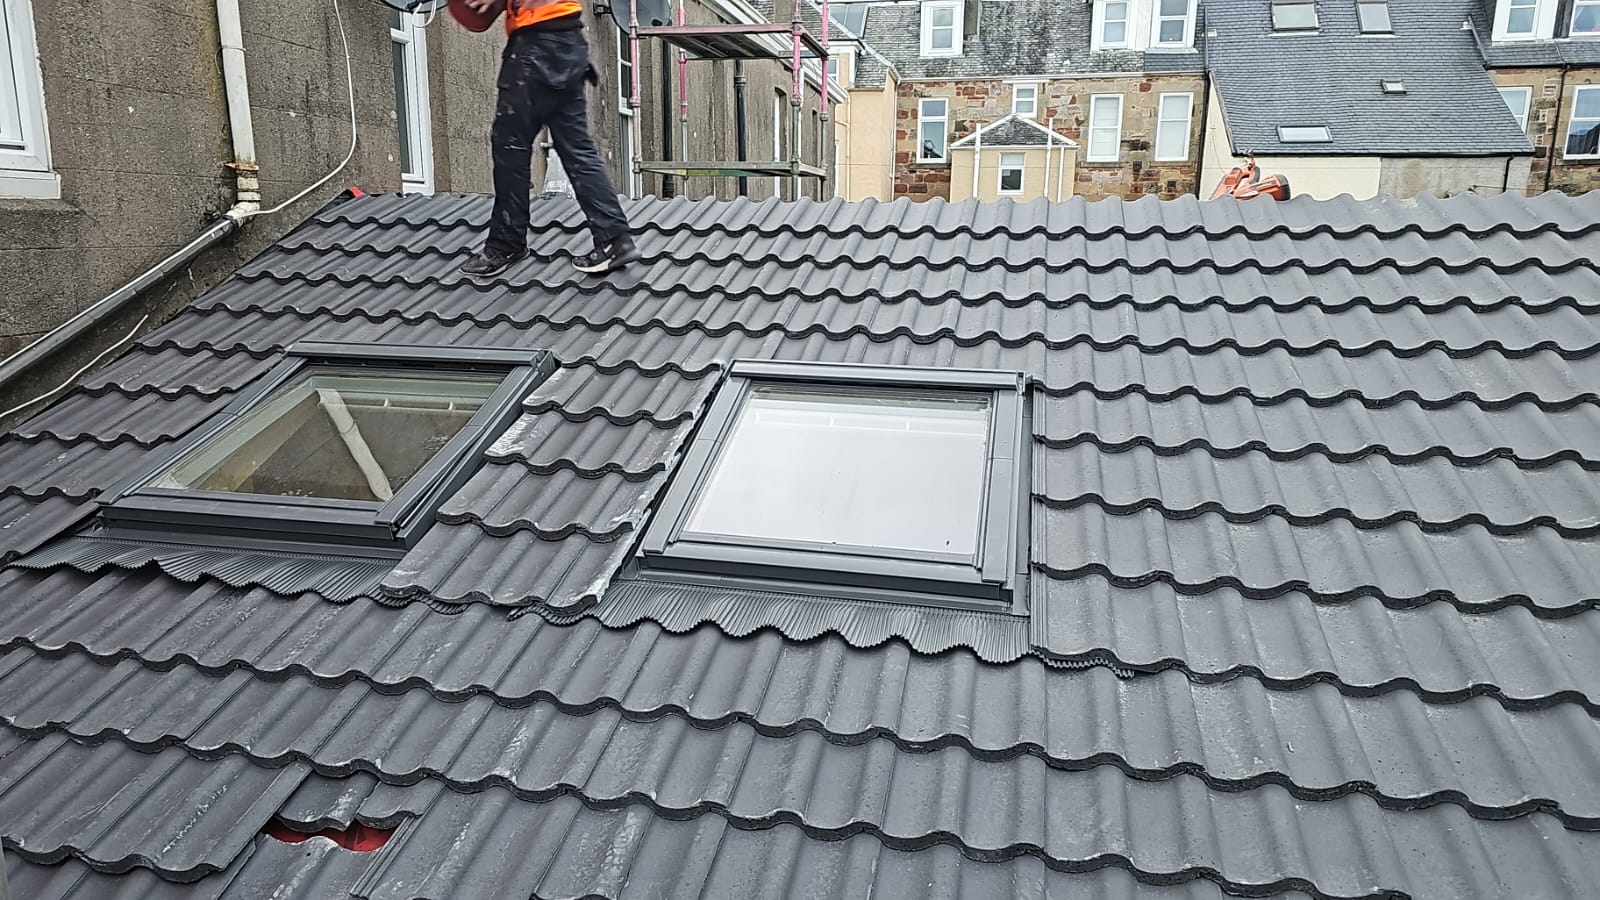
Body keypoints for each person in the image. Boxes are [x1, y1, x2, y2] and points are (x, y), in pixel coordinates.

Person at [459, 0, 641, 278]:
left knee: (510, 146)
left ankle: (506, 243)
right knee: (577, 148)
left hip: (536, 47)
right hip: (567, 42)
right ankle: (615, 240)